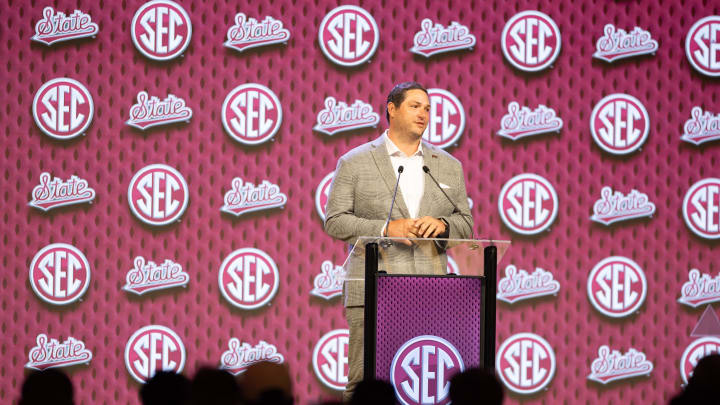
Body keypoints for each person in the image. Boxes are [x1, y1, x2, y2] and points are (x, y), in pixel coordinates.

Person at [324, 81, 474, 401]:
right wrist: (386, 229)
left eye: (428, 108)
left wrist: (443, 224)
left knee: (425, 384)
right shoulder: (355, 162)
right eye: (415, 106)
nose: (424, 114)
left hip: (430, 289)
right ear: (391, 109)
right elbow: (335, 221)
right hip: (372, 288)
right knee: (365, 384)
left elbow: (466, 225)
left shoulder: (448, 165)